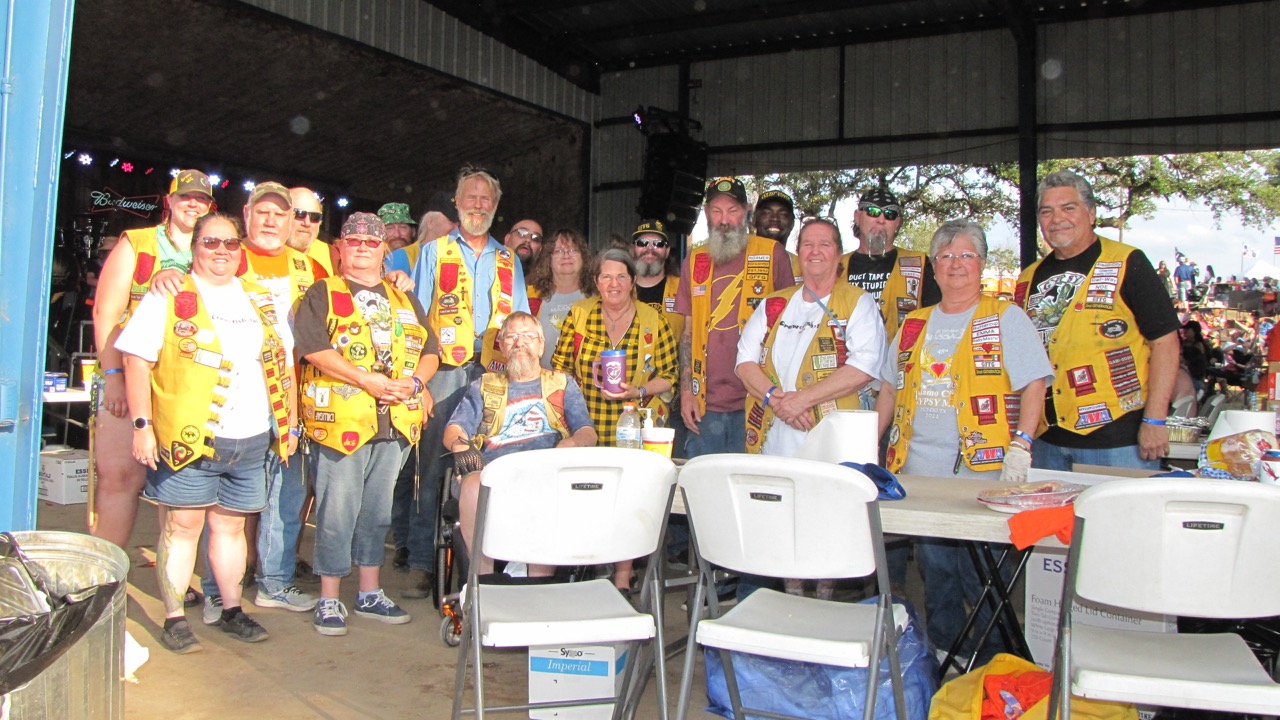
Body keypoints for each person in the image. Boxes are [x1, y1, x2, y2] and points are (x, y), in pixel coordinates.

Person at [116, 212, 295, 653]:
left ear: (240, 249)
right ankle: (174, 618)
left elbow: (282, 363)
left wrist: (287, 425)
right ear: (194, 247)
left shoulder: (259, 298)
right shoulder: (169, 293)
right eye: (210, 242)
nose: (221, 251)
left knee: (231, 527)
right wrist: (142, 426)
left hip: (250, 436)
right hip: (190, 435)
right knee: (182, 525)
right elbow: (136, 361)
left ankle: (231, 609)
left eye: (230, 243)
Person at [878, 219, 1052, 665]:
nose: (956, 264)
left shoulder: (1005, 317)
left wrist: (1022, 443)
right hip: (921, 472)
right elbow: (889, 388)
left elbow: (1034, 383)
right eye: (946, 256)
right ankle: (946, 652)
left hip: (985, 473)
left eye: (966, 255)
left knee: (985, 574)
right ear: (934, 266)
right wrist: (868, 446)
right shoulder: (915, 324)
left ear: (982, 263)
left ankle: (993, 663)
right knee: (936, 570)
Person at [294, 212, 439, 636]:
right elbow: (312, 347)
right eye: (353, 240)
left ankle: (370, 592)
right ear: (339, 247)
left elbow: (430, 349)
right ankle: (329, 596)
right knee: (337, 509)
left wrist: (416, 383)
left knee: (377, 511)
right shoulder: (323, 291)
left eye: (371, 242)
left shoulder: (403, 296)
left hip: (394, 420)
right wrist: (364, 379)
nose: (362, 247)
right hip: (342, 419)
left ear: (384, 251)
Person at [735, 217, 885, 598]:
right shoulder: (774, 304)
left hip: (832, 441)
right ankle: (793, 600)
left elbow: (866, 365)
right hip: (777, 435)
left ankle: (823, 601)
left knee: (828, 525)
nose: (815, 251)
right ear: (798, 253)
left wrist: (803, 399)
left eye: (824, 244)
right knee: (784, 525)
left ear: (839, 254)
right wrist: (776, 400)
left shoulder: (858, 303)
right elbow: (744, 360)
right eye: (807, 245)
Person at [403, 167, 529, 598]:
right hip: (442, 370)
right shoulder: (433, 251)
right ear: (456, 204)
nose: (478, 205)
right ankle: (423, 563)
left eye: (485, 199)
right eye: (470, 197)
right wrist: (419, 380)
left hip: (493, 371)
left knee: (490, 464)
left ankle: (486, 562)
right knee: (433, 463)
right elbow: (417, 317)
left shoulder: (509, 260)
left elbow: (520, 322)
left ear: (496, 206)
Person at [1015, 170, 1180, 470]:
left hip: (1118, 439)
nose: (1057, 219)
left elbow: (1165, 342)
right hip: (1046, 439)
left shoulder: (1127, 262)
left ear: (1091, 213)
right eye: (1046, 211)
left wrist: (1155, 419)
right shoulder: (1028, 277)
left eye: (1068, 208)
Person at [90, 169, 214, 551]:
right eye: (185, 196)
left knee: (175, 487)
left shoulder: (216, 250)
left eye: (201, 199)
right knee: (119, 478)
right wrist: (114, 376)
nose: (193, 204)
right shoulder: (139, 243)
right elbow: (106, 313)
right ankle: (104, 573)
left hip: (182, 384)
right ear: (169, 201)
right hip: (130, 374)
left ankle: (171, 577)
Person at [551, 248, 677, 593]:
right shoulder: (579, 314)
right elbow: (559, 369)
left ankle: (623, 575)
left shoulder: (654, 320)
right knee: (586, 498)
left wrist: (638, 390)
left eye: (622, 276)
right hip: (586, 424)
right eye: (606, 276)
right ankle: (585, 567)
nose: (614, 283)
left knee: (627, 500)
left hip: (632, 426)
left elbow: (670, 375)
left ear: (633, 282)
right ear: (596, 282)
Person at [442, 312, 596, 576]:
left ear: (541, 345)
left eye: (527, 336)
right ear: (501, 347)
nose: (519, 342)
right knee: (472, 484)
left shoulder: (563, 383)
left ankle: (539, 582)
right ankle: (484, 581)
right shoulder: (483, 385)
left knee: (550, 484)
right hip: (493, 471)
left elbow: (587, 432)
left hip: (546, 468)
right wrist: (459, 445)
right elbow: (454, 429)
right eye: (511, 336)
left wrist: (572, 442)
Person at [676, 177, 794, 458]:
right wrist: (686, 392)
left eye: (733, 211)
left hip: (759, 400)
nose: (724, 220)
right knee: (704, 481)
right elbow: (688, 334)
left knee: (755, 482)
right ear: (707, 214)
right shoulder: (694, 260)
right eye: (716, 211)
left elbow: (791, 329)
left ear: (746, 212)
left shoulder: (772, 253)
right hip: (705, 405)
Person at [843, 187, 942, 352]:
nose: (881, 219)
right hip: (847, 362)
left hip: (902, 363)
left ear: (897, 223)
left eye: (890, 214)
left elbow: (938, 317)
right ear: (857, 217)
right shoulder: (836, 266)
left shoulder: (919, 263)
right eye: (873, 211)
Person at [630, 219, 686, 454]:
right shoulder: (618, 287)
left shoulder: (683, 288)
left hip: (674, 395)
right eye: (643, 243)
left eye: (658, 243)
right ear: (633, 248)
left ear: (668, 250)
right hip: (629, 391)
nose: (650, 249)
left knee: (669, 459)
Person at [526, 228, 593, 366]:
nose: (566, 255)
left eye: (573, 250)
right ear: (548, 259)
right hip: (543, 378)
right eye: (558, 251)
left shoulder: (598, 296)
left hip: (588, 378)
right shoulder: (531, 297)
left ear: (584, 257)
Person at [384, 191, 459, 277]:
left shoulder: (464, 256)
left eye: (460, 222)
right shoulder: (401, 258)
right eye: (451, 221)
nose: (457, 228)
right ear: (431, 222)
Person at [286, 187, 333, 275]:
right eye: (299, 214)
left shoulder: (333, 256)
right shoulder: (263, 253)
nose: (307, 223)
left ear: (320, 222)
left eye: (314, 217)